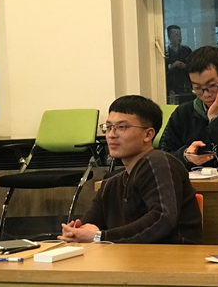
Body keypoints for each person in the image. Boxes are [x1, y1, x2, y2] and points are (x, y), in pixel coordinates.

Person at [58, 95, 202, 244]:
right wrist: (75, 232)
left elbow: (162, 219)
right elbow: (89, 223)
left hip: (172, 255)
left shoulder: (159, 162)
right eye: (108, 127)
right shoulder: (111, 184)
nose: (111, 135)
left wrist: (99, 236)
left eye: (122, 127)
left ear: (148, 134)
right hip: (128, 256)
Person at [165, 25, 192, 100]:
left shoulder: (186, 50)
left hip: (184, 84)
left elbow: (193, 65)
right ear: (169, 37)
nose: (179, 38)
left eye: (180, 35)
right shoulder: (164, 52)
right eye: (176, 35)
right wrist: (171, 66)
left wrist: (185, 66)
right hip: (170, 84)